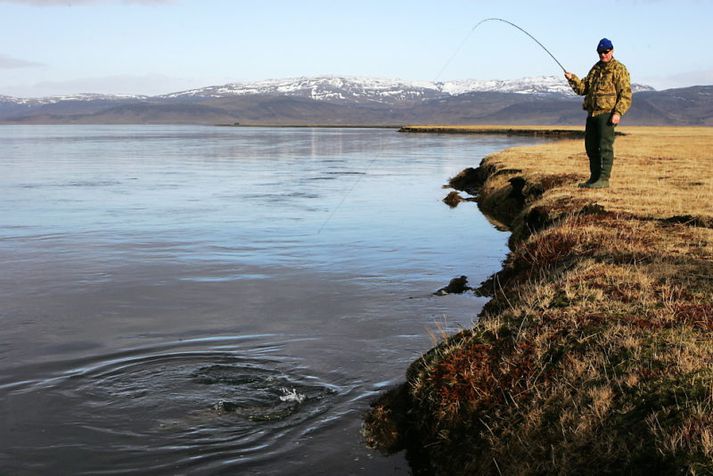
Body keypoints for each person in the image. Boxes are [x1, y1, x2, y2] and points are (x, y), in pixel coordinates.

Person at [564, 38, 632, 189]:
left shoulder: (619, 69)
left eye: (605, 52)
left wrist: (618, 112)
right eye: (600, 53)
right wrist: (572, 79)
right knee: (591, 147)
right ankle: (594, 178)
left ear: (612, 51)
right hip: (592, 114)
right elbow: (583, 89)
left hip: (607, 115)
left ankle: (604, 179)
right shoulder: (595, 69)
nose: (603, 55)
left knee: (605, 147)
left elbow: (626, 94)